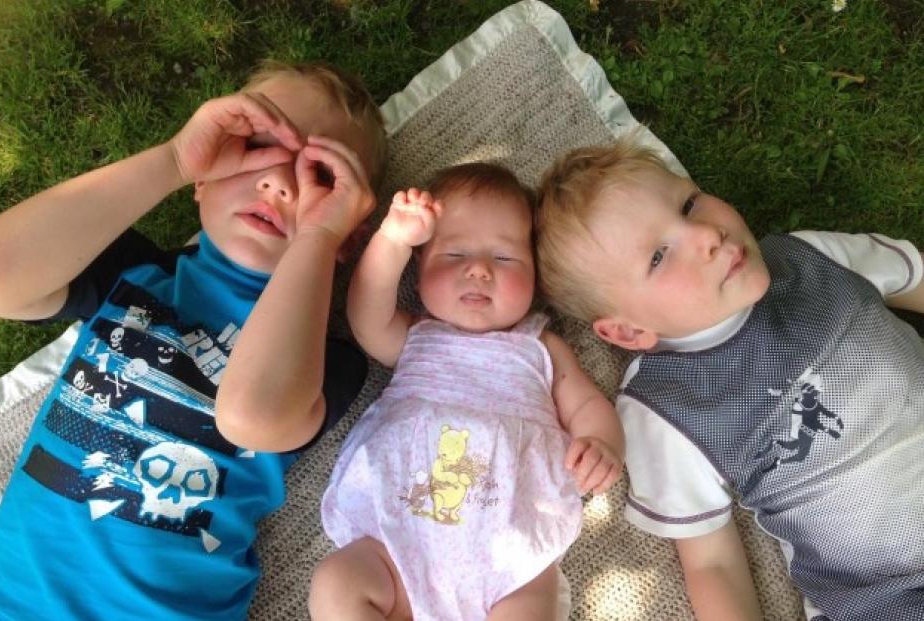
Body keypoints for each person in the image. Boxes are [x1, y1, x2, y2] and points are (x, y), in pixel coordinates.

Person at [0, 60, 386, 620]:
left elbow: (253, 417)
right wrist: (171, 159)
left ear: (347, 235)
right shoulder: (134, 277)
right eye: (258, 146)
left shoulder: (326, 363)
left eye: (321, 178)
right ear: (203, 179)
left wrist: (318, 233)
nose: (280, 182)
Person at [535, 137, 924, 621]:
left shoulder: (808, 258)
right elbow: (712, 562)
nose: (706, 235)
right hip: (889, 595)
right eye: (658, 256)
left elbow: (914, 279)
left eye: (689, 203)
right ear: (628, 331)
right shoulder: (665, 409)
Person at [309, 162, 625, 621]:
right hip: (396, 539)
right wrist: (393, 241)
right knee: (337, 582)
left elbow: (587, 404)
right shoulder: (415, 336)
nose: (478, 270)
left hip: (508, 550)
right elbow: (365, 312)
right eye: (454, 256)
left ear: (536, 274)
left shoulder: (540, 347)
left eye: (504, 258)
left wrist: (602, 444)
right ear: (419, 268)